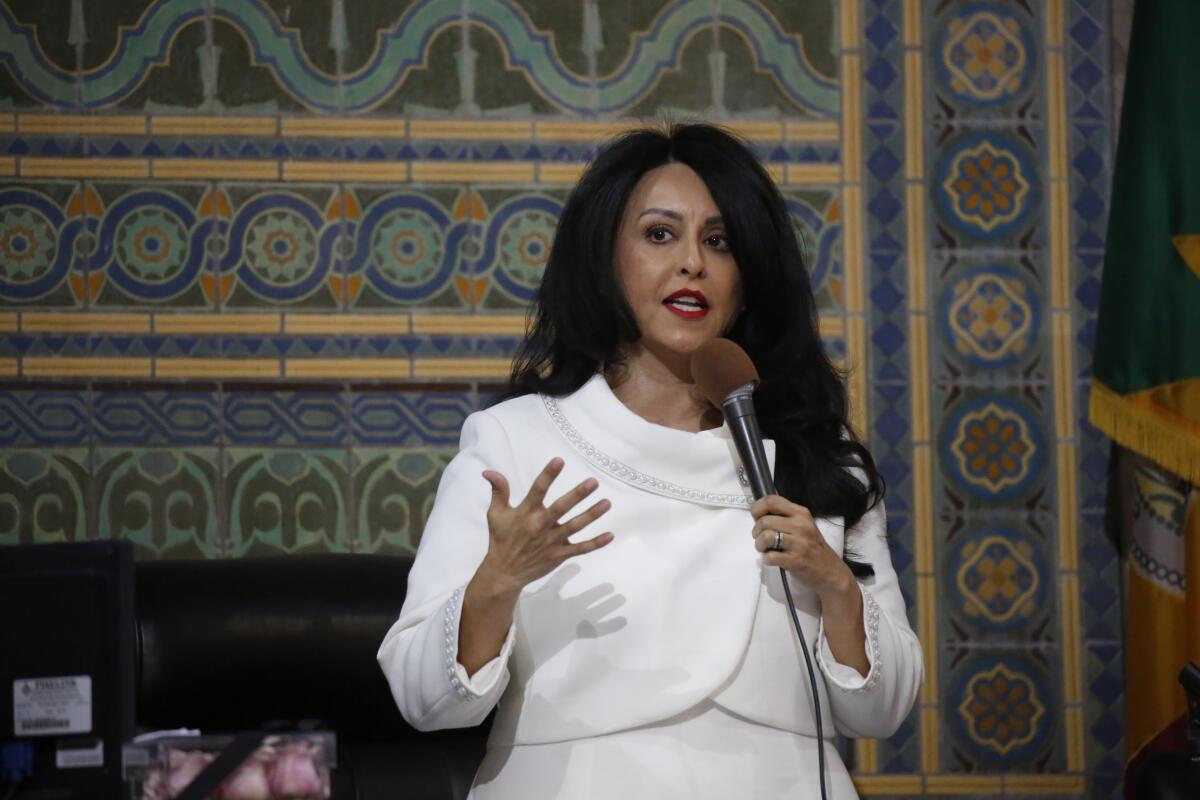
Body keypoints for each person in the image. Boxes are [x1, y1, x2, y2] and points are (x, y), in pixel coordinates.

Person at [377, 123, 922, 799]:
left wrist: (836, 585)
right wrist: (499, 580)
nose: (693, 262)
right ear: (606, 260)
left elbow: (883, 710)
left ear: (748, 277)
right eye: (660, 234)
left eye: (719, 241)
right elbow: (420, 697)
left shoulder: (820, 461)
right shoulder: (514, 442)